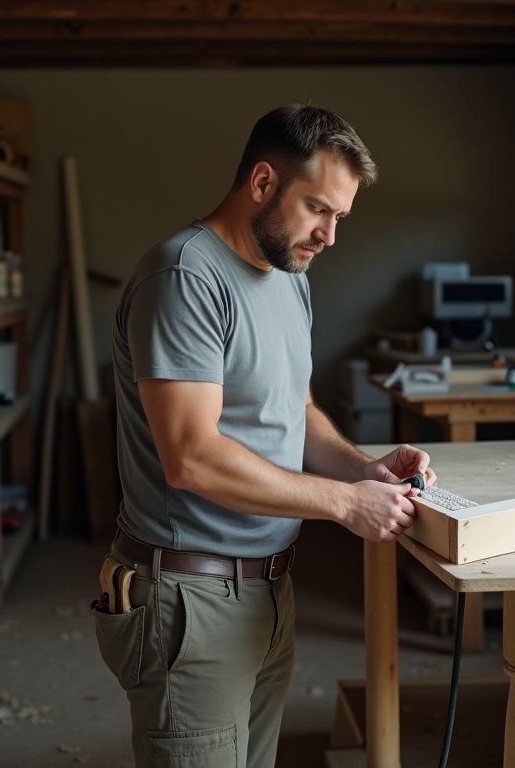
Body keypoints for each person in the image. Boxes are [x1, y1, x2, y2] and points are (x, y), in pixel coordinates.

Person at [93, 103, 438, 768]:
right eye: (318, 209)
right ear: (261, 183)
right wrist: (344, 506)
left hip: (267, 589)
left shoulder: (289, 278)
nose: (330, 235)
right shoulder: (185, 276)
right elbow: (191, 457)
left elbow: (294, 411)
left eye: (340, 217)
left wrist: (359, 472)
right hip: (190, 599)